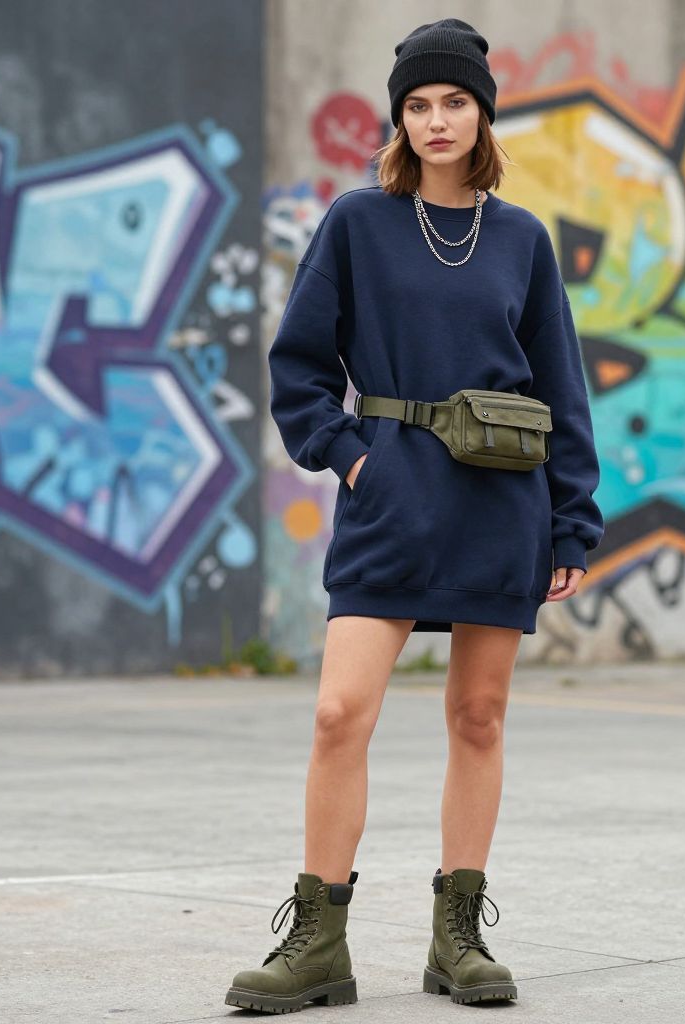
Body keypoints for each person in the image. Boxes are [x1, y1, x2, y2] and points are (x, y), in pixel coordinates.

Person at [225, 16, 604, 1014]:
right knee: (338, 712)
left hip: (500, 499)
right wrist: (350, 459)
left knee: (477, 717)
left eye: (454, 101)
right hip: (390, 495)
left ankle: (457, 938)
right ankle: (317, 941)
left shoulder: (521, 239)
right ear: (401, 117)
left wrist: (573, 520)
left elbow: (563, 390)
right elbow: (299, 366)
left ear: (482, 113)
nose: (437, 120)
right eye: (419, 103)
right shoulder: (356, 222)